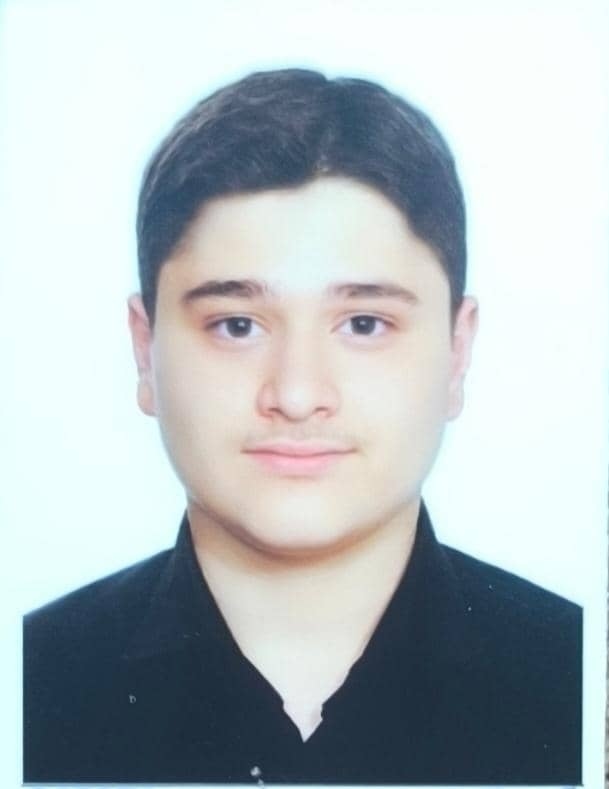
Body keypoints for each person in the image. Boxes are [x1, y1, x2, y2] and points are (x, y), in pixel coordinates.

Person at [23, 68, 581, 784]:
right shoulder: (32, 684)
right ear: (144, 348)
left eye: (363, 323)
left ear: (457, 352)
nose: (295, 394)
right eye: (237, 325)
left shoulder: (577, 680)